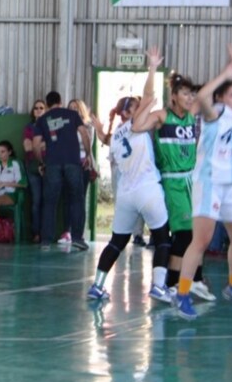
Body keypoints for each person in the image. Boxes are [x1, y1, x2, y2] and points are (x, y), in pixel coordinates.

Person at [173, 45, 232, 320]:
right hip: (209, 182)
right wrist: (226, 72)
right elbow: (201, 95)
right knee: (201, 240)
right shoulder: (214, 114)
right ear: (222, 97)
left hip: (231, 184)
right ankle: (182, 293)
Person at [129, 48, 214, 301]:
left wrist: (231, 72)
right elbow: (136, 125)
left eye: (192, 94)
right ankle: (175, 283)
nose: (190, 98)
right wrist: (153, 68)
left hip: (191, 180)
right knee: (185, 234)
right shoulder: (163, 116)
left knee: (197, 234)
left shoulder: (189, 114)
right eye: (185, 94)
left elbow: (208, 92)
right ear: (174, 96)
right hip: (173, 182)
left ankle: (195, 279)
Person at [87, 90, 173, 304]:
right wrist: (152, 69)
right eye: (137, 106)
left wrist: (98, 129)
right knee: (163, 239)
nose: (143, 107)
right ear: (128, 112)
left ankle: (97, 286)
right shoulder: (138, 124)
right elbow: (149, 93)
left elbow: (105, 139)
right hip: (147, 189)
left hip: (126, 194)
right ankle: (159, 287)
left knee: (117, 242)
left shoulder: (116, 135)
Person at [32, 91, 92, 251]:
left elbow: (36, 144)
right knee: (77, 200)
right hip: (73, 162)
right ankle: (78, 238)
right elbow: (84, 134)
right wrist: (87, 154)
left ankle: (46, 240)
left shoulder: (42, 120)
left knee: (50, 202)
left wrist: (41, 162)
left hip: (52, 164)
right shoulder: (72, 114)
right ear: (60, 101)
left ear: (47, 103)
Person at [59, 99, 95, 244]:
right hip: (67, 164)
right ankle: (66, 232)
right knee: (67, 199)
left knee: (79, 199)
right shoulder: (63, 125)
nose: (73, 110)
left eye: (76, 108)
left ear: (82, 110)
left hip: (82, 164)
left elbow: (88, 144)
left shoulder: (87, 126)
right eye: (70, 108)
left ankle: (78, 233)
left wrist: (88, 158)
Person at [23, 100, 46, 243]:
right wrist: (45, 144)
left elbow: (53, 144)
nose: (38, 110)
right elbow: (27, 148)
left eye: (41, 108)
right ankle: (36, 233)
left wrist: (35, 144)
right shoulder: (29, 127)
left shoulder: (50, 127)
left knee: (48, 201)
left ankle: (46, 233)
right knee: (36, 201)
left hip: (49, 166)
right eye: (36, 108)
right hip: (32, 166)